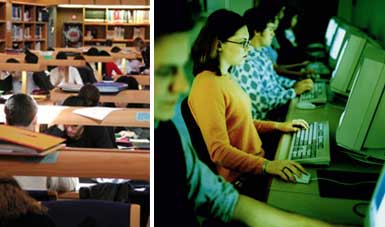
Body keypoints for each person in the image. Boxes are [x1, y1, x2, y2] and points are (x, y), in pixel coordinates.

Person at [155, 1, 335, 226]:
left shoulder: (226, 77)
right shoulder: (208, 86)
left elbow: (241, 122)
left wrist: (279, 126)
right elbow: (219, 152)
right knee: (312, 200)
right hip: (244, 178)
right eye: (242, 43)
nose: (248, 49)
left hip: (257, 165)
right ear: (219, 45)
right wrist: (267, 165)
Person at [232, 7, 313, 120]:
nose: (273, 33)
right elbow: (261, 102)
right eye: (270, 29)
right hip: (265, 122)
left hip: (276, 110)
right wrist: (293, 92)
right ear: (257, 31)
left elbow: (275, 79)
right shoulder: (245, 61)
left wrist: (295, 84)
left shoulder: (261, 52)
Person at [4, 94, 78, 192]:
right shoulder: (47, 149)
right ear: (35, 120)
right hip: (34, 205)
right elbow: (68, 185)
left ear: (6, 121)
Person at [46, 96, 116, 148]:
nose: (69, 129)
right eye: (66, 124)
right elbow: (44, 148)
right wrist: (59, 129)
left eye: (75, 125)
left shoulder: (96, 130)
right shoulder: (58, 129)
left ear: (84, 122)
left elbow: (108, 155)